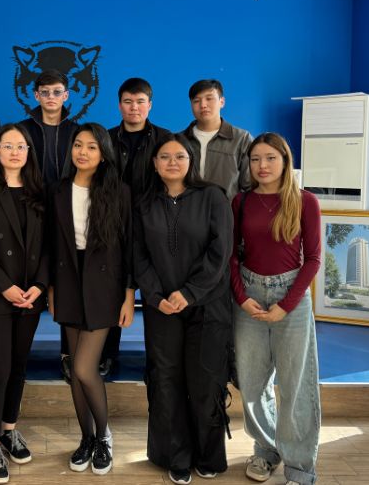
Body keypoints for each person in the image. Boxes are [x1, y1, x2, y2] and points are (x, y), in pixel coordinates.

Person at [133, 133, 234, 484]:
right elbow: (138, 256)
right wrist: (155, 295)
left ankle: (208, 455)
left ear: (192, 161)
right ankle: (174, 456)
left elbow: (221, 252)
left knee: (206, 381)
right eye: (164, 156)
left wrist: (189, 293)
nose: (172, 162)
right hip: (161, 307)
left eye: (180, 156)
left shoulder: (213, 197)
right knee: (166, 381)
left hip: (208, 306)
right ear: (154, 163)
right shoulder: (144, 204)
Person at [230, 132, 321, 485]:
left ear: (285, 161)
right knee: (252, 382)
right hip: (249, 296)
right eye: (255, 159)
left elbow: (313, 259)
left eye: (270, 158)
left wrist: (287, 304)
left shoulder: (305, 201)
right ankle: (266, 452)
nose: (262, 166)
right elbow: (231, 257)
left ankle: (299, 467)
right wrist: (241, 297)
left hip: (291, 296)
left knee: (296, 384)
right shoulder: (241, 201)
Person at [48, 123, 135, 476]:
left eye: (91, 147)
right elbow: (51, 245)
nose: (83, 152)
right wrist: (51, 290)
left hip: (104, 285)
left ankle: (103, 436)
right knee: (75, 371)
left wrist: (128, 295)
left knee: (85, 367)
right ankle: (85, 439)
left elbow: (129, 248)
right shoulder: (57, 190)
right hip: (68, 282)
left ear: (103, 154)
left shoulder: (119, 191)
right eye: (78, 145)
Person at [0, 124, 49, 484]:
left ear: (29, 152)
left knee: (18, 366)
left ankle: (8, 429)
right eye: (9, 146)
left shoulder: (38, 188)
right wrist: (4, 287)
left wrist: (40, 285)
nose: (15, 152)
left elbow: (49, 243)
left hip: (30, 294)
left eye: (21, 146)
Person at [103, 77, 171, 378]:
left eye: (140, 101)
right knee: (113, 290)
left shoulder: (166, 140)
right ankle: (107, 354)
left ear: (150, 105)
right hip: (113, 226)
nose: (134, 107)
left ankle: (158, 360)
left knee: (157, 292)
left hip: (154, 226)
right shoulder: (106, 139)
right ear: (119, 105)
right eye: (128, 101)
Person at [18, 69, 78, 383]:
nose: (51, 97)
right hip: (30, 215)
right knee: (26, 279)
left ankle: (69, 354)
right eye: (45, 92)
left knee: (68, 285)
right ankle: (16, 353)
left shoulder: (77, 132)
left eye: (57, 92)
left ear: (66, 96)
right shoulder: (23, 131)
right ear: (36, 95)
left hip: (69, 217)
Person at [179, 79, 252, 200]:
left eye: (209, 99)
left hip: (227, 210)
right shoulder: (179, 140)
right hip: (186, 210)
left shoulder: (241, 139)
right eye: (196, 101)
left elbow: (250, 186)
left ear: (222, 102)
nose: (203, 105)